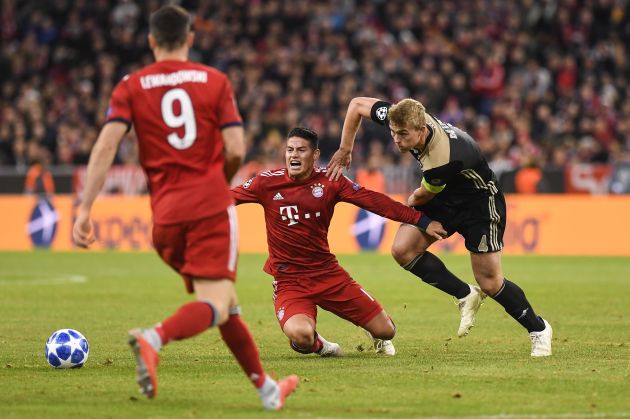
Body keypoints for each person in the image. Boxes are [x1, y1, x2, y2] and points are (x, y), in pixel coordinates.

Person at [71, 5, 298, 409]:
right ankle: (153, 338)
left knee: (226, 305)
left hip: (164, 217)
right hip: (209, 209)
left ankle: (267, 390)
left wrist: (85, 209)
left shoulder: (130, 85)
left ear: (151, 41)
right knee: (213, 303)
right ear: (191, 38)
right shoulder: (214, 81)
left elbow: (106, 145)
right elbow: (235, 148)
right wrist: (217, 179)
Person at [327, 97, 553, 357]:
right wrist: (346, 148)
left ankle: (538, 329)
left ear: (422, 130)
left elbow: (420, 197)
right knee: (403, 250)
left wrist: (409, 203)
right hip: (446, 196)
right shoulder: (403, 115)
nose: (396, 140)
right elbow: (356, 105)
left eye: (403, 135)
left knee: (490, 282)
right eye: (393, 133)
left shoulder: (442, 159)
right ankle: (465, 294)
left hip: (478, 203)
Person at [231, 127, 447, 358]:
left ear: (315, 155)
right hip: (289, 281)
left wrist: (421, 221)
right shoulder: (265, 183)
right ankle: (321, 345)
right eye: (290, 150)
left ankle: (376, 337)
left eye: (301, 150)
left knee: (387, 331)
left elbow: (375, 202)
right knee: (301, 336)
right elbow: (224, 199)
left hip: (328, 275)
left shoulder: (331, 181)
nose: (294, 155)